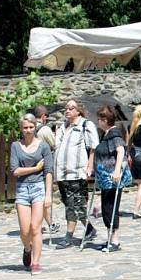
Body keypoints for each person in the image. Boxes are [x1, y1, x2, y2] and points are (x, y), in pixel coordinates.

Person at [11, 114, 54, 275]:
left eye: (30, 127)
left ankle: (36, 262)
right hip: (22, 188)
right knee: (24, 229)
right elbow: (15, 170)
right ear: (21, 129)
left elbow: (48, 171)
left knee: (35, 227)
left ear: (35, 127)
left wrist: (48, 194)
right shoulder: (16, 146)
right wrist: (35, 169)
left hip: (38, 188)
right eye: (25, 128)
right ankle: (27, 248)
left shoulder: (43, 146)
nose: (28, 131)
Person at [53, 99, 99, 249]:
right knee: (71, 203)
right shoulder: (62, 127)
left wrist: (89, 167)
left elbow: (93, 147)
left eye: (71, 108)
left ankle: (68, 236)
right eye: (66, 108)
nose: (67, 111)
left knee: (73, 205)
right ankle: (90, 229)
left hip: (77, 171)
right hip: (62, 172)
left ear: (78, 110)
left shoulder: (85, 125)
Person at [93, 105, 129, 252]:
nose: (98, 122)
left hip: (112, 179)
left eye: (100, 119)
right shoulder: (106, 135)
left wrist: (116, 171)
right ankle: (110, 239)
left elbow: (120, 150)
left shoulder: (114, 134)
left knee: (111, 208)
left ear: (105, 120)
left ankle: (115, 241)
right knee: (106, 208)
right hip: (105, 179)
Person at [34, 105, 59, 234]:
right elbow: (54, 145)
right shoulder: (44, 129)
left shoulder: (29, 127)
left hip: (32, 165)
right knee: (43, 197)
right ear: (43, 116)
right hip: (43, 166)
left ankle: (49, 223)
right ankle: (49, 223)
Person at [127, 104, 141, 219]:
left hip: (133, 155)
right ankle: (136, 211)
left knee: (140, 182)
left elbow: (128, 143)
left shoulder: (132, 127)